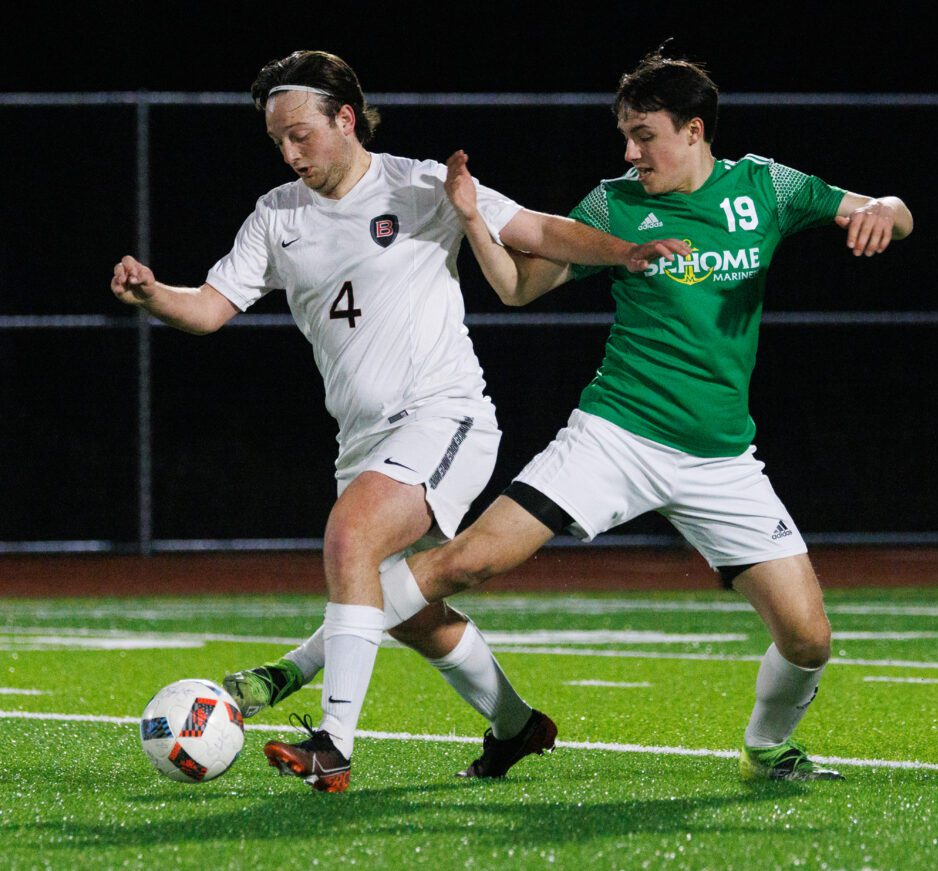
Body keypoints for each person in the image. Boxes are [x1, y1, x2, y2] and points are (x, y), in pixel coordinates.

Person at [110, 49, 688, 794]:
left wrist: (626, 251)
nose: (288, 153)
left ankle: (332, 742)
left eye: (300, 135)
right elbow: (210, 309)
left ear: (345, 119)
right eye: (276, 140)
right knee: (407, 612)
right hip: (363, 441)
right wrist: (156, 292)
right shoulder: (277, 215)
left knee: (350, 535)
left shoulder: (419, 186)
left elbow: (539, 232)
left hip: (443, 418)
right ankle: (516, 726)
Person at [363, 41, 914, 782]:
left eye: (644, 135)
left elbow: (891, 210)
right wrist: (470, 219)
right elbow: (518, 288)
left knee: (810, 640)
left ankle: (767, 750)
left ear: (694, 131)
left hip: (721, 456)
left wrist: (885, 210)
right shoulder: (612, 204)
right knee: (466, 561)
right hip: (615, 435)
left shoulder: (767, 188)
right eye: (625, 134)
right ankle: (310, 661)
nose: (631, 151)